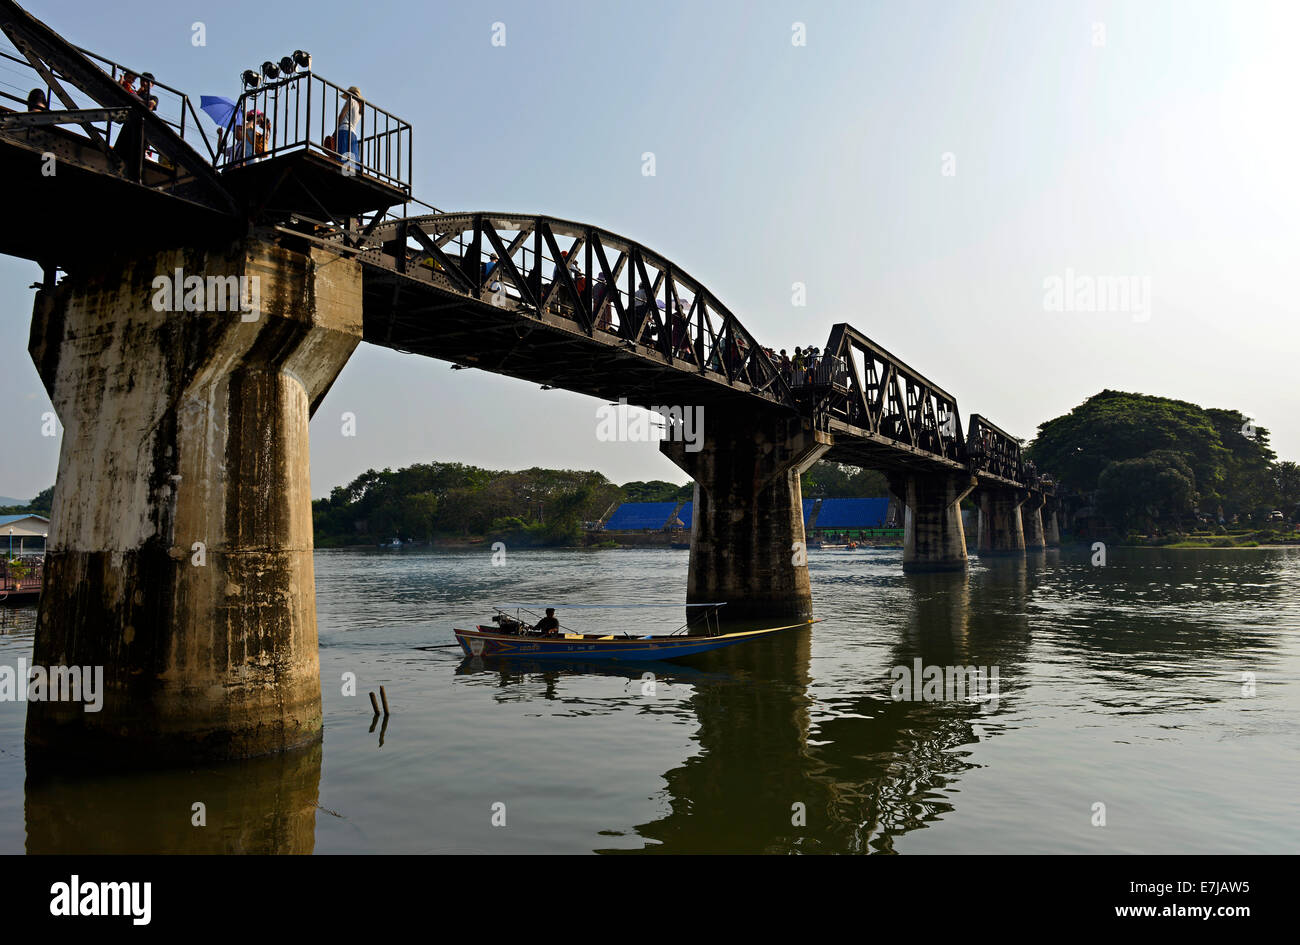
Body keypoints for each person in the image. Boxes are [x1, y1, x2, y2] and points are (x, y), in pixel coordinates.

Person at [336, 86, 363, 170]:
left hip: (344, 130)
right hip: (353, 133)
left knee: (341, 158)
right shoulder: (360, 109)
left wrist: (336, 130)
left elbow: (342, 115)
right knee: (351, 162)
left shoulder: (351, 100)